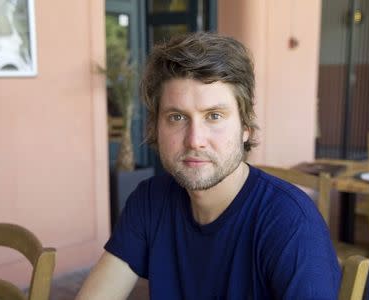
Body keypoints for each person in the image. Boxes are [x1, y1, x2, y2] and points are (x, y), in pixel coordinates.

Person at [77, 32, 340, 299]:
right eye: (177, 117)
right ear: (156, 126)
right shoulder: (149, 202)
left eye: (214, 116)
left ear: (245, 128)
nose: (195, 140)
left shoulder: (290, 222)